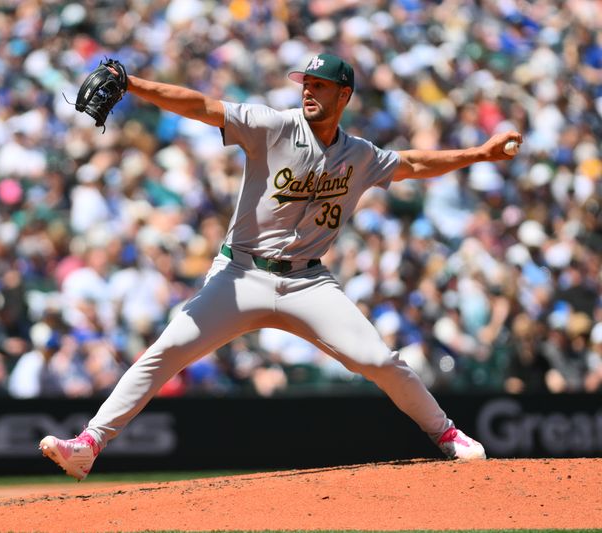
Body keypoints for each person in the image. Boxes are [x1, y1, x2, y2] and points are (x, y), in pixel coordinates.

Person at [40, 54, 522, 480]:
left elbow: (414, 163)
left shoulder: (359, 155)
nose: (309, 92)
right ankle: (89, 444)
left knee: (379, 361)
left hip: (308, 281)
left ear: (344, 94)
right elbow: (202, 106)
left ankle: (448, 435)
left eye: (320, 86)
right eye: (305, 84)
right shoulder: (271, 125)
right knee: (166, 351)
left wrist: (479, 154)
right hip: (240, 275)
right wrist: (132, 83)